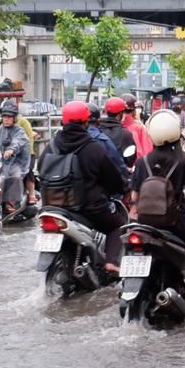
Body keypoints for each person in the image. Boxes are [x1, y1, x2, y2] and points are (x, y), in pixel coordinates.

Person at [129, 109, 185, 303]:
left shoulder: (142, 162)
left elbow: (135, 196)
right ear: (176, 134)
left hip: (145, 224)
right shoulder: (182, 163)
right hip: (175, 223)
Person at [38, 101, 131, 269]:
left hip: (53, 207)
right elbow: (114, 179)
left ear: (63, 122)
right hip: (89, 209)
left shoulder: (50, 147)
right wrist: (125, 187)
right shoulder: (93, 149)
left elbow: (40, 172)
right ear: (85, 123)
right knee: (117, 226)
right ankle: (111, 263)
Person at [0, 102, 31, 219]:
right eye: (4, 116)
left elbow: (18, 141)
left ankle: (10, 202)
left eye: (9, 117)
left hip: (15, 161)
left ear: (14, 118)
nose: (6, 119)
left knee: (15, 176)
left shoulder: (19, 130)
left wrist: (11, 150)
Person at [94, 97, 139, 164]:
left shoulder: (96, 132)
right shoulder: (127, 134)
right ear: (120, 113)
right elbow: (131, 159)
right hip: (120, 172)